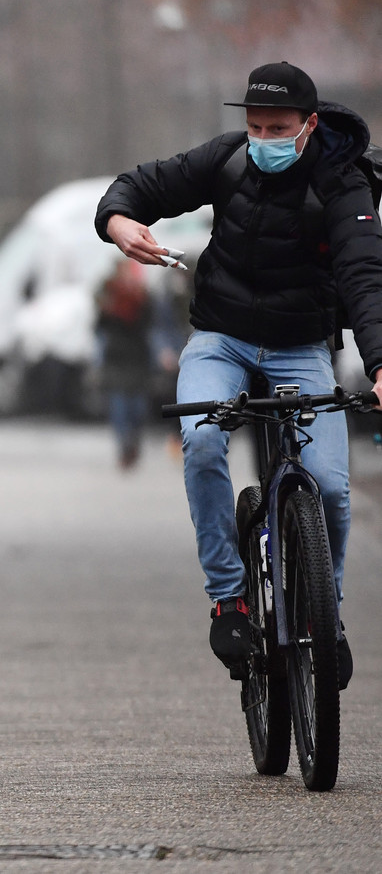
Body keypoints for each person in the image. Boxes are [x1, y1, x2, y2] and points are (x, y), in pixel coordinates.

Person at [95, 62, 382, 688]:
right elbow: (138, 185)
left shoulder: (345, 182)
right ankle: (229, 598)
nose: (265, 140)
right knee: (199, 439)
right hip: (220, 339)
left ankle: (324, 613)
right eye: (255, 127)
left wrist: (380, 362)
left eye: (278, 128)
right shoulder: (227, 159)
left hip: (301, 347)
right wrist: (119, 224)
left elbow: (364, 274)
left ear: (309, 125)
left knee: (331, 490)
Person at [94, 258, 155, 470]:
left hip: (137, 358)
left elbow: (149, 321)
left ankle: (134, 445)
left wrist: (138, 296)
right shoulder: (108, 293)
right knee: (119, 407)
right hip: (116, 357)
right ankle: (124, 448)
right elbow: (99, 325)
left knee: (137, 409)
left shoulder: (142, 295)